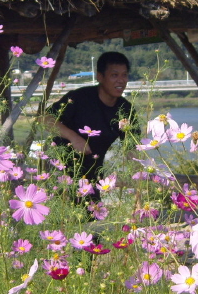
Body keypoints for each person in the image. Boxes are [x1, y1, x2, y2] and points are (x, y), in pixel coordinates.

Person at [42, 51, 137, 198]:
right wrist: (73, 137)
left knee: (92, 211)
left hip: (93, 173)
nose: (121, 80)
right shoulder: (79, 98)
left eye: (124, 75)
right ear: (100, 77)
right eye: (114, 75)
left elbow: (132, 148)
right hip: (60, 169)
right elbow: (44, 119)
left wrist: (137, 179)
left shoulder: (126, 110)